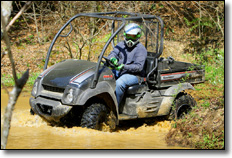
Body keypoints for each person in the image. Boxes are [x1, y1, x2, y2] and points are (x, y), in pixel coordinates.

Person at [107, 23, 147, 109]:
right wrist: (113, 59)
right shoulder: (121, 45)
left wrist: (123, 66)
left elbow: (139, 67)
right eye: (128, 36)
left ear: (138, 36)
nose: (130, 39)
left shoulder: (141, 49)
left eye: (133, 37)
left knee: (120, 83)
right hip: (120, 71)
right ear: (125, 35)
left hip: (135, 75)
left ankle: (114, 109)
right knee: (104, 75)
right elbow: (113, 53)